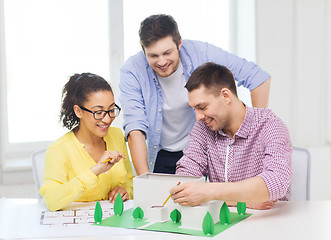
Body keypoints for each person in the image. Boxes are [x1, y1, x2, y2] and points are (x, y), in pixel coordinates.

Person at [119, 14, 271, 176]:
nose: (162, 62)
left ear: (179, 43)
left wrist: (254, 138)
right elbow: (135, 127)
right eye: (153, 56)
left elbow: (258, 79)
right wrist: (145, 180)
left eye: (167, 53)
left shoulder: (202, 53)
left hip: (201, 149)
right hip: (160, 153)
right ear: (144, 51)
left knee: (206, 198)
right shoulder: (132, 71)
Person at [170, 62, 292, 210]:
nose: (198, 117)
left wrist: (209, 192)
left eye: (202, 107)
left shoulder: (270, 125)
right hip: (222, 220)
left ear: (225, 96)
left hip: (270, 221)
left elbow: (277, 182)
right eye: (194, 109)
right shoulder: (202, 129)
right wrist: (243, 202)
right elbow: (186, 180)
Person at [39, 73, 134, 211]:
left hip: (114, 225)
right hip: (77, 228)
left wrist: (126, 192)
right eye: (98, 112)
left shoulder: (117, 135)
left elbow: (130, 181)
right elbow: (52, 201)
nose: (107, 119)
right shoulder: (58, 150)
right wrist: (95, 171)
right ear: (78, 111)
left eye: (111, 110)